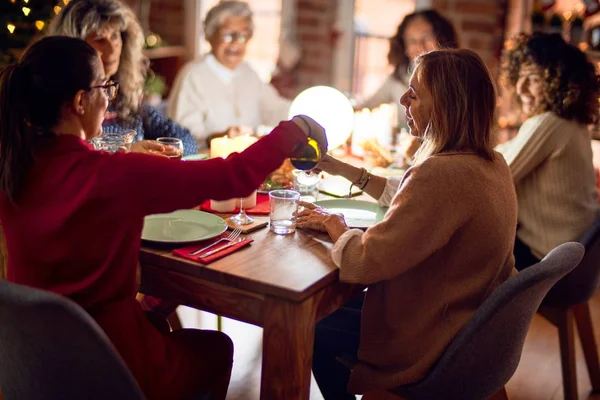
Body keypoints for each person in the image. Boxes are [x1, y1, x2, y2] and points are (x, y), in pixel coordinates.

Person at [0, 35, 325, 400]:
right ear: (80, 101)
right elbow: (232, 177)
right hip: (110, 366)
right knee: (215, 349)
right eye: (105, 86)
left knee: (155, 321)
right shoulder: (112, 175)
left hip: (34, 364)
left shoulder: (12, 166)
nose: (109, 97)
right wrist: (294, 130)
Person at [297, 49, 517, 398]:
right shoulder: (491, 165)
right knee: (338, 308)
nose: (402, 99)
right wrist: (340, 167)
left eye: (414, 94)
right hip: (469, 330)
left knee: (309, 326)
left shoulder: (441, 174)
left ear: (445, 106)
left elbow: (363, 262)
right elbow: (409, 195)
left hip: (428, 342)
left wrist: (334, 223)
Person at [497, 32, 599, 270]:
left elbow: (496, 175)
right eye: (519, 79)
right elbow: (504, 151)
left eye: (532, 79)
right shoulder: (575, 123)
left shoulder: (549, 123)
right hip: (579, 257)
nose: (521, 89)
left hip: (547, 258)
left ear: (558, 81)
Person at [48, 0, 198, 156]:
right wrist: (128, 155)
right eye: (99, 40)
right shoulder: (64, 107)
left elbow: (185, 140)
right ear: (75, 46)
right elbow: (71, 161)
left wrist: (159, 151)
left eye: (114, 37)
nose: (112, 50)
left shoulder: (126, 97)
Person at [167, 0, 291, 146]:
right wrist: (221, 137)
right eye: (228, 35)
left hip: (248, 163)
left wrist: (307, 110)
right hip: (209, 165)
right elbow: (184, 140)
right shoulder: (193, 76)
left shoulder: (248, 73)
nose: (236, 43)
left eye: (243, 35)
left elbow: (276, 109)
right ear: (210, 35)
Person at [358, 10, 458, 112]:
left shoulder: (456, 78)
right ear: (404, 47)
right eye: (412, 41)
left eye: (426, 38)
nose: (420, 46)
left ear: (442, 40)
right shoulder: (399, 77)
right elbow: (369, 103)